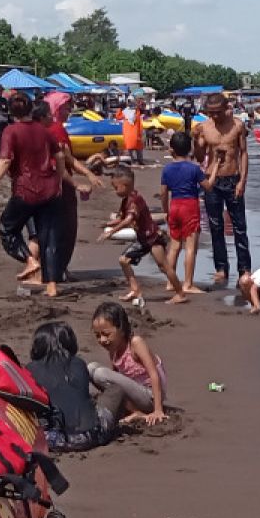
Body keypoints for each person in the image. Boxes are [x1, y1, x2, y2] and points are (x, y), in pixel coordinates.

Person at [0, 92, 67, 297]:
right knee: (49, 237)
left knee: (6, 229)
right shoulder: (44, 131)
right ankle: (52, 286)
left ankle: (30, 260)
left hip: (26, 190)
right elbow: (60, 155)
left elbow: (4, 160)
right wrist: (60, 180)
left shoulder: (11, 131)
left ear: (10, 112)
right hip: (50, 190)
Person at [100, 166, 186, 305]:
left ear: (126, 185)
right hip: (142, 238)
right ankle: (135, 289)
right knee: (124, 260)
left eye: (116, 188)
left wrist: (112, 231)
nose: (115, 191)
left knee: (163, 266)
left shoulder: (135, 200)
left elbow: (128, 220)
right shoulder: (126, 200)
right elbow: (122, 217)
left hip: (152, 237)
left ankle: (180, 293)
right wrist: (107, 224)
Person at [28, 321, 117, 452]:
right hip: (91, 436)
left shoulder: (30, 369)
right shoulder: (79, 364)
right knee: (117, 390)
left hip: (51, 440)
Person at [42, 95, 102, 283]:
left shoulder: (43, 130)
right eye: (66, 108)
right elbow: (64, 162)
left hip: (44, 188)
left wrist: (88, 174)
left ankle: (52, 270)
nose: (69, 111)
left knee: (48, 231)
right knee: (65, 230)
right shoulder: (57, 130)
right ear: (56, 109)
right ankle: (57, 270)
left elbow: (68, 159)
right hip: (60, 187)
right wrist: (81, 181)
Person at [193, 93, 251, 283]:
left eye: (218, 112)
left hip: (233, 178)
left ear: (226, 108)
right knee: (215, 226)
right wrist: (196, 140)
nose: (215, 116)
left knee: (239, 227)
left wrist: (242, 180)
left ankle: (244, 269)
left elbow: (243, 154)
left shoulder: (237, 126)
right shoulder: (205, 127)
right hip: (213, 180)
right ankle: (221, 267)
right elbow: (200, 158)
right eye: (211, 113)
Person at [88, 301, 167, 425]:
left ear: (122, 330)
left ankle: (138, 412)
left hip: (151, 396)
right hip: (135, 394)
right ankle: (133, 410)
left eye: (106, 334)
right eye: (98, 335)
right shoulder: (113, 350)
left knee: (99, 373)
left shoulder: (135, 343)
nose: (102, 340)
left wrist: (158, 410)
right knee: (90, 368)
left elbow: (154, 374)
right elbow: (114, 381)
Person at [160, 132, 215, 294]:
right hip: (189, 205)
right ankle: (188, 283)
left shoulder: (167, 169)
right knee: (190, 247)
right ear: (190, 149)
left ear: (172, 150)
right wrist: (216, 166)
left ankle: (171, 282)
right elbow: (208, 186)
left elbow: (163, 193)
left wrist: (166, 211)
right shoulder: (193, 168)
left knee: (174, 246)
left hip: (174, 204)